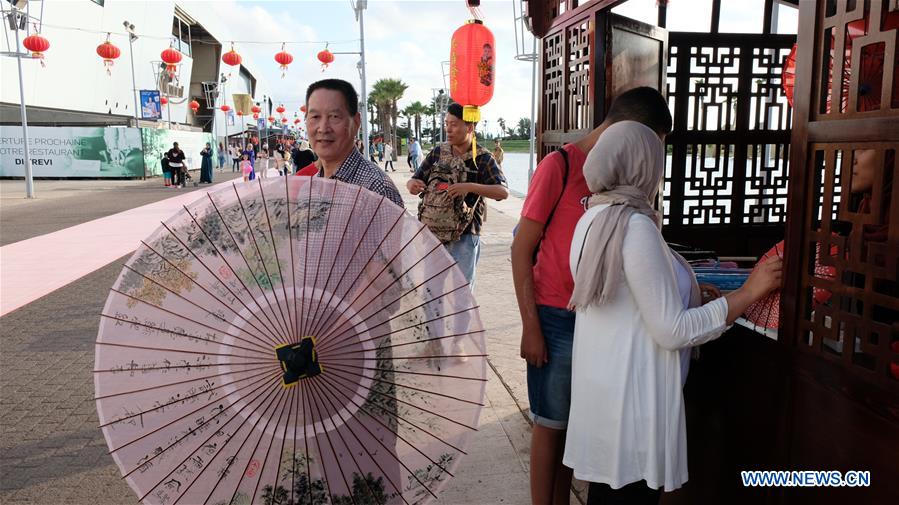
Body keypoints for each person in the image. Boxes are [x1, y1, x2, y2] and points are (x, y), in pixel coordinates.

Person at [563, 121, 782, 505]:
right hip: (634, 406)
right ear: (641, 166)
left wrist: (690, 291)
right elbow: (672, 331)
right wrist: (749, 292)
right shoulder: (633, 226)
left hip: (605, 398)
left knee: (610, 495)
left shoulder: (592, 219)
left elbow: (628, 303)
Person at [511, 86, 677, 505]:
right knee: (550, 424)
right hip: (554, 317)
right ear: (632, 129)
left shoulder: (623, 173)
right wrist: (531, 326)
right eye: (653, 140)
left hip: (596, 320)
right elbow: (521, 248)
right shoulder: (560, 165)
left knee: (578, 428)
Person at [407, 102, 508, 287]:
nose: (448, 129)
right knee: (430, 293)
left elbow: (502, 192)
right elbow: (414, 179)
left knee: (460, 296)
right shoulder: (438, 152)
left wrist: (469, 186)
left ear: (469, 127)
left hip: (466, 235)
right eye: (446, 124)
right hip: (433, 233)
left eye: (453, 124)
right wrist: (412, 184)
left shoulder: (483, 159)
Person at [306, 78, 403, 206]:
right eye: (315, 117)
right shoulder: (309, 187)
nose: (323, 128)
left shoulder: (376, 190)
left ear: (356, 122)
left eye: (334, 116)